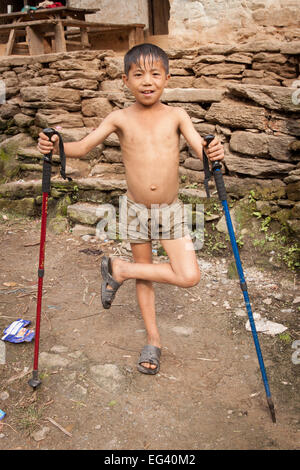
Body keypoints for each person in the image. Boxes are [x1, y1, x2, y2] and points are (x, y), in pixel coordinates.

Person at [38, 43, 224, 375]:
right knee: (146, 272)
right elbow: (82, 147)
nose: (147, 81)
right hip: (136, 209)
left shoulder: (177, 116)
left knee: (189, 275)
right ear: (125, 80)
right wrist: (56, 145)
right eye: (138, 74)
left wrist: (213, 150)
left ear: (167, 77)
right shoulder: (119, 117)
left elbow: (201, 149)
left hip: (171, 211)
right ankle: (152, 339)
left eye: (155, 73)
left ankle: (119, 270)